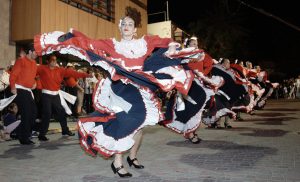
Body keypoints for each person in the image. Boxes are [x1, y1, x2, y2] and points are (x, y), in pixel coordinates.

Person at [34, 9, 204, 177]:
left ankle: (133, 157)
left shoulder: (144, 42)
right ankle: (118, 162)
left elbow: (163, 41)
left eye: (130, 24)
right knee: (128, 121)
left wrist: (172, 45)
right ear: (120, 27)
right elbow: (90, 44)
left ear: (135, 29)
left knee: (139, 125)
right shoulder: (112, 44)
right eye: (124, 24)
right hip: (120, 86)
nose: (127, 26)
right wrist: (70, 39)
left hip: (139, 87)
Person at [36, 54, 90, 141]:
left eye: (55, 60)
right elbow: (31, 71)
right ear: (48, 61)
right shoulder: (42, 68)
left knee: (61, 112)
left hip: (56, 95)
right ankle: (42, 134)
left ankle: (65, 130)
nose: (54, 62)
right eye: (52, 60)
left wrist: (86, 75)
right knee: (47, 114)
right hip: (46, 95)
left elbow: (73, 73)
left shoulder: (60, 70)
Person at [9, 45, 38, 145]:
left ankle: (21, 133)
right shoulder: (21, 61)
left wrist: (34, 83)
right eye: (36, 52)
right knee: (27, 113)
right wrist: (13, 87)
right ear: (30, 51)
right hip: (20, 90)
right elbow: (13, 75)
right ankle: (24, 137)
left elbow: (32, 77)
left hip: (28, 91)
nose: (37, 54)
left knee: (33, 113)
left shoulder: (34, 63)